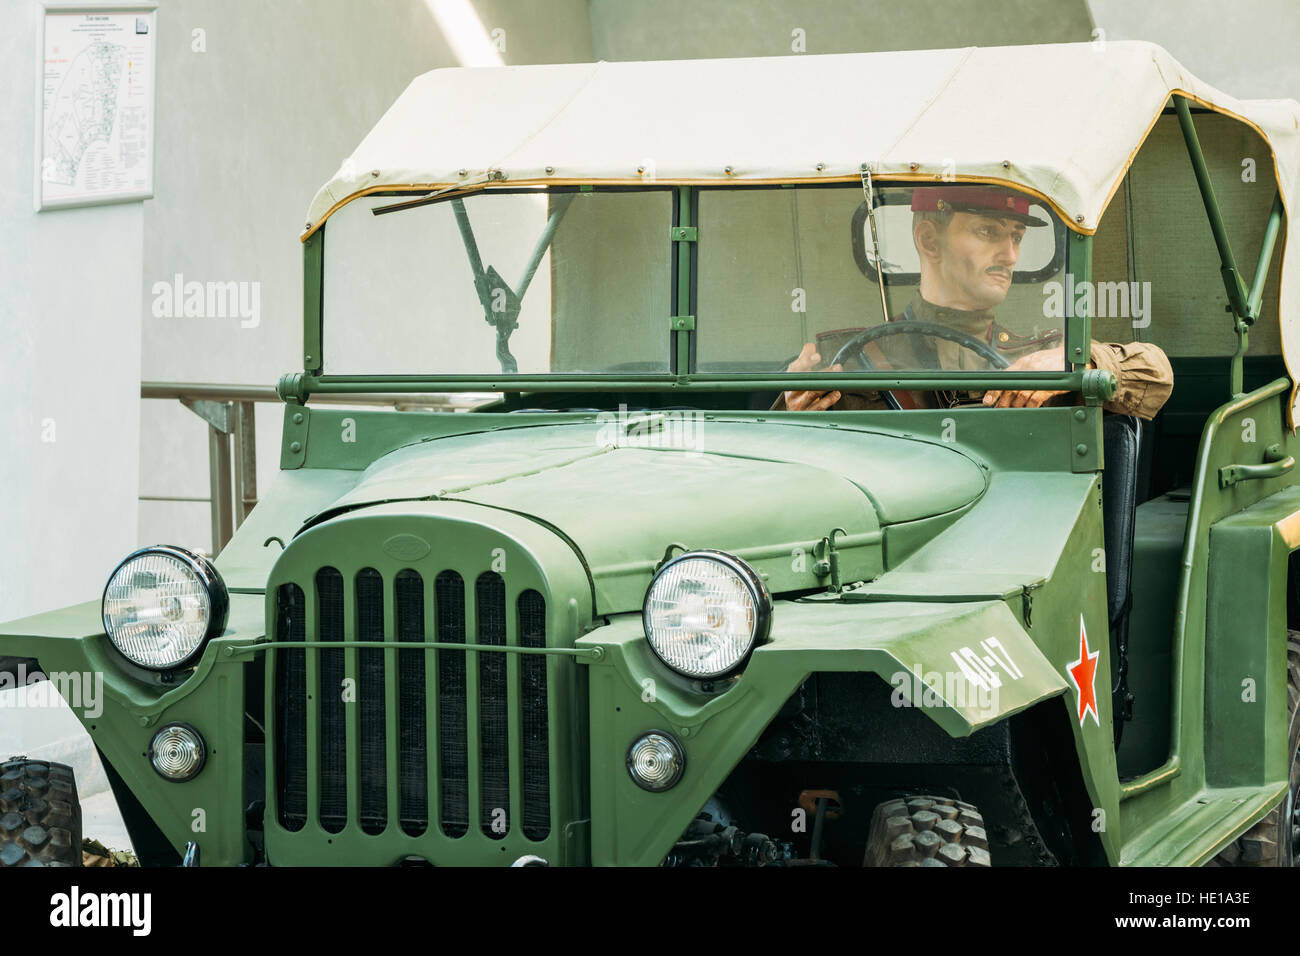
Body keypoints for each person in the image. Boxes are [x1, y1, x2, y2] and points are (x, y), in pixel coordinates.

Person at [778, 185, 1173, 418]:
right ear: (929, 240)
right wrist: (790, 414)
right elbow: (771, 465)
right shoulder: (841, 359)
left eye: (1016, 236)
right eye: (989, 232)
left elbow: (1158, 376)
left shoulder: (1042, 355)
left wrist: (1081, 361)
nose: (1010, 255)